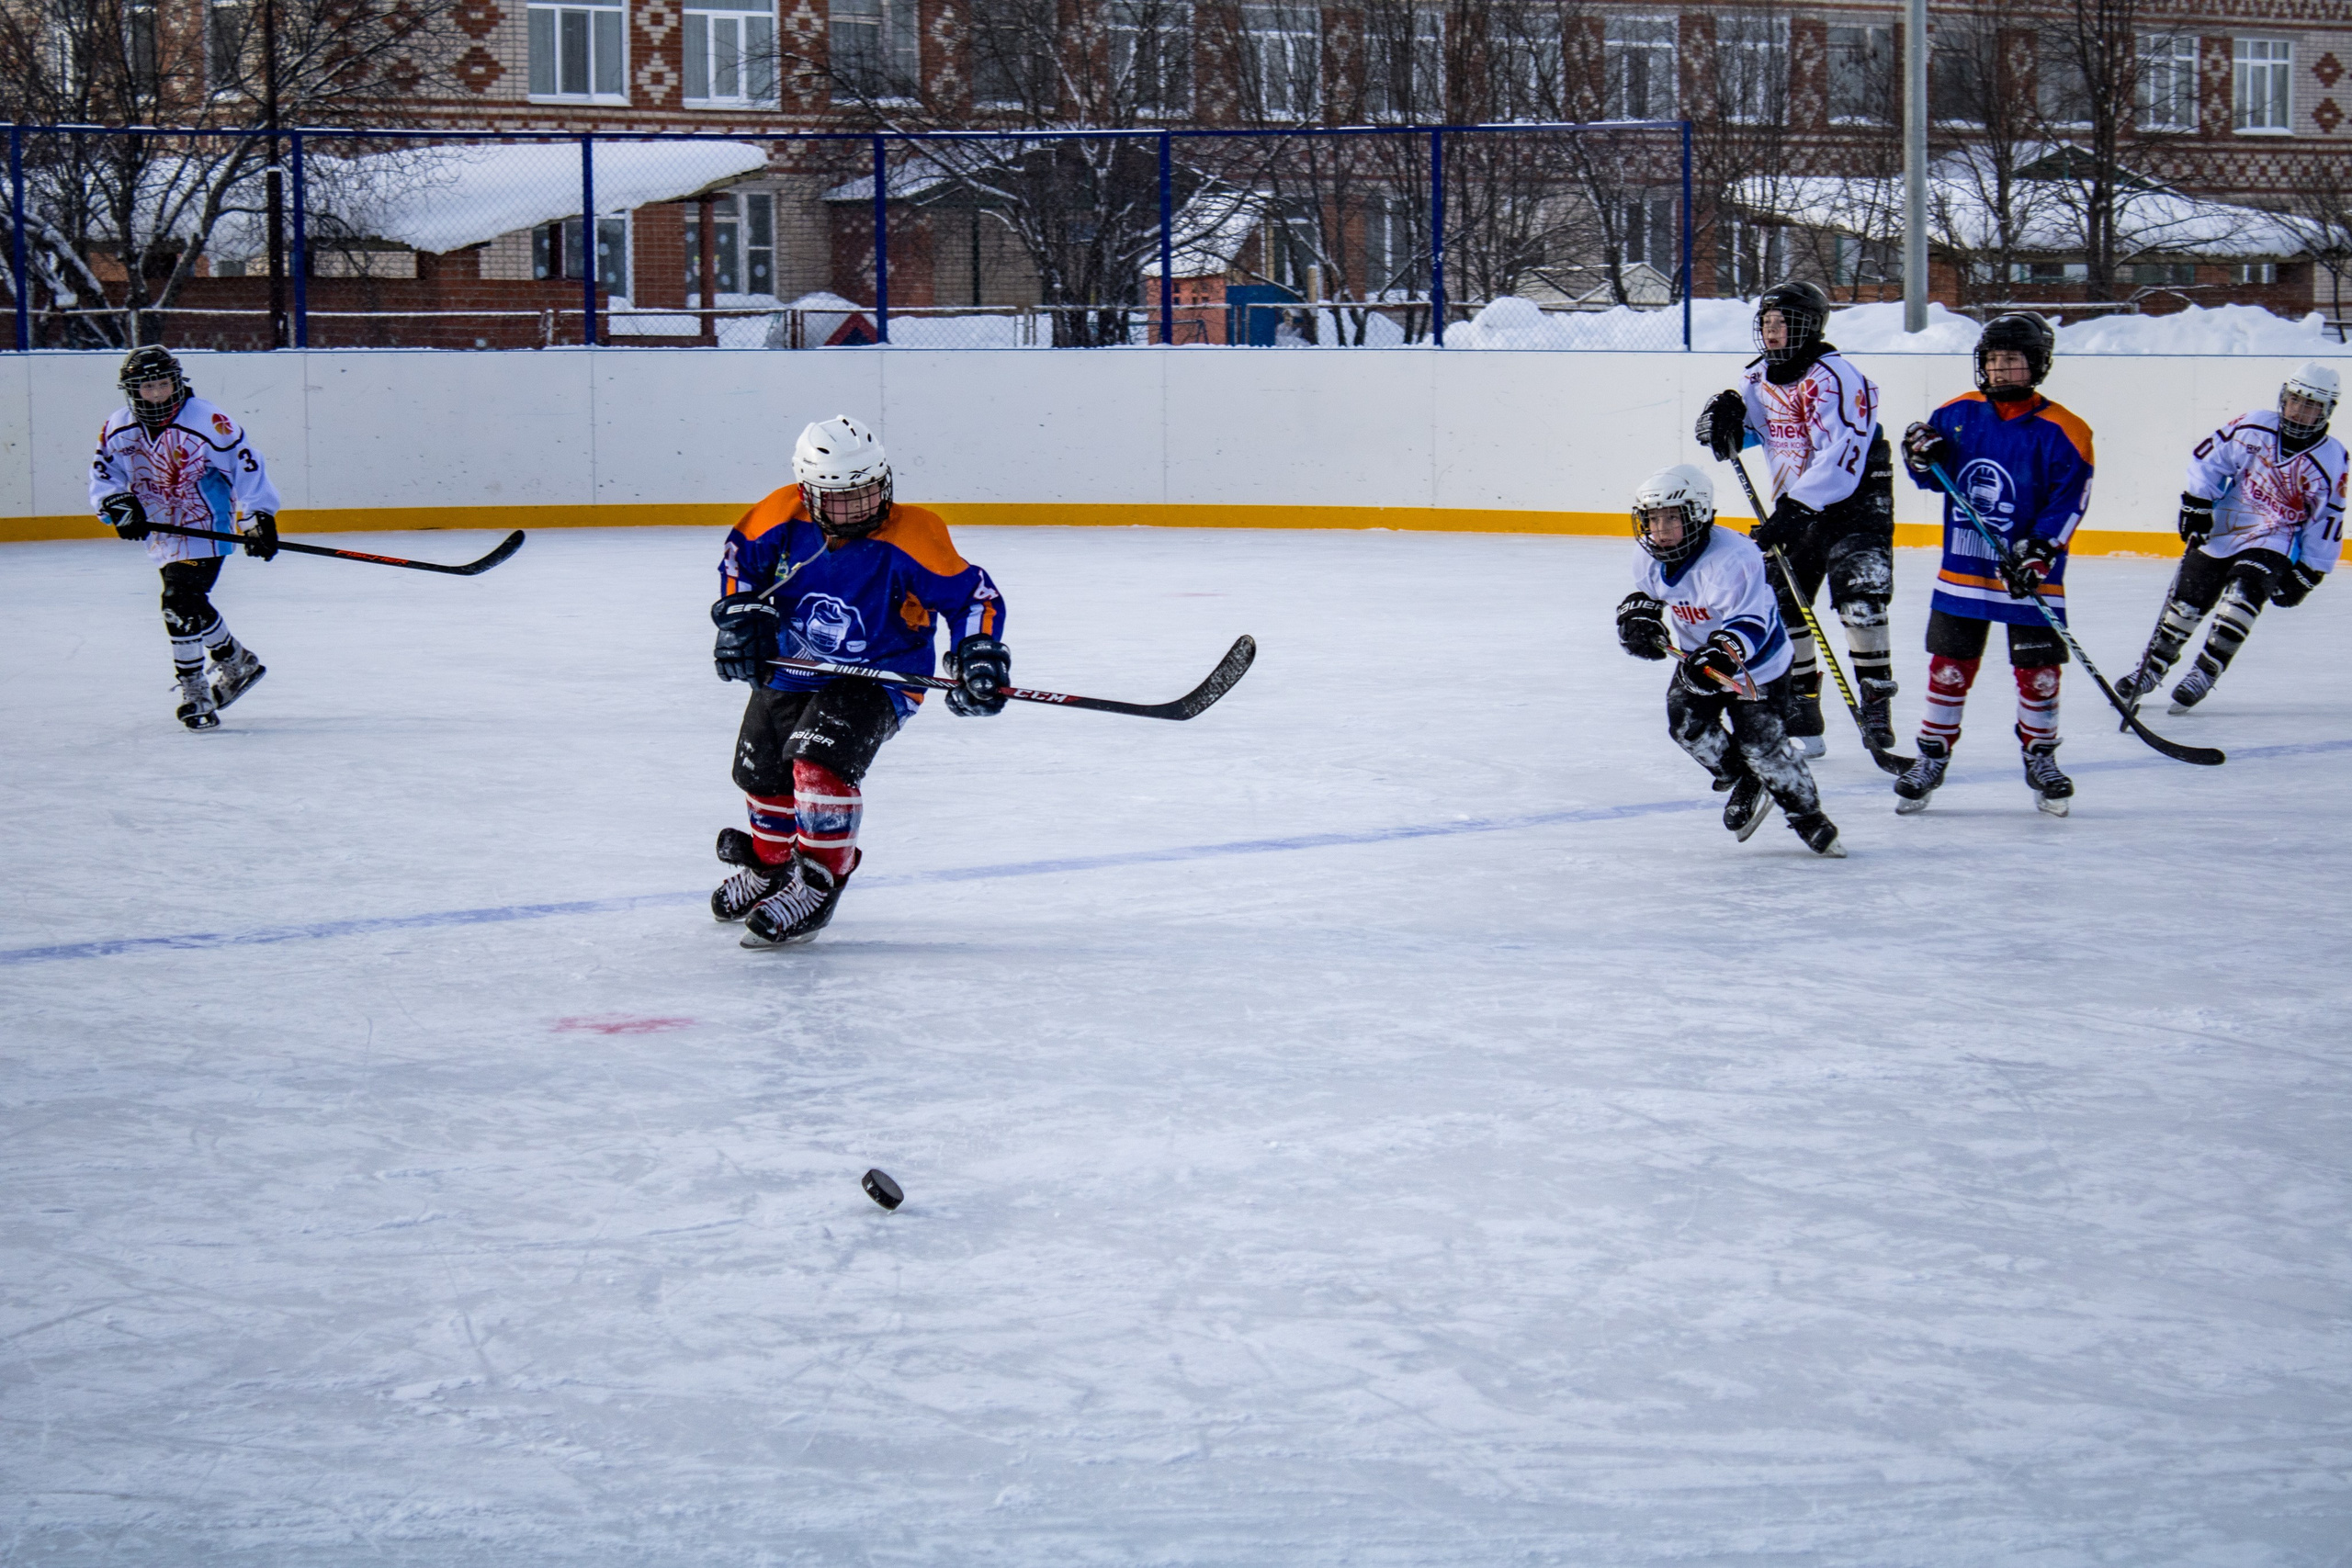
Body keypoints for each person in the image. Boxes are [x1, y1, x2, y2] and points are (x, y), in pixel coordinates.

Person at [707, 415, 1009, 948]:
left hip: (883, 674)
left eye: (870, 490)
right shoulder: (779, 516)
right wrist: (740, 619)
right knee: (760, 770)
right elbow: (738, 566)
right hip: (793, 667)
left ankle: (818, 884)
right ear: (808, 493)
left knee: (818, 763)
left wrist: (978, 654)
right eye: (843, 498)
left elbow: (972, 599)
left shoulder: (914, 534)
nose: (863, 506)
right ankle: (772, 867)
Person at [1893, 313, 2093, 817]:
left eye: (2012, 360)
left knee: (2039, 673)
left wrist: (2039, 551)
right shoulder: (1955, 413)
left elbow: (2070, 503)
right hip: (1965, 569)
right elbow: (1929, 476)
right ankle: (1931, 756)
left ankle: (2041, 756)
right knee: (1948, 670)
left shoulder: (2066, 431)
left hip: (2030, 575)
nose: (2000, 369)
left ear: (2038, 365)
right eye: (1993, 360)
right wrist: (1917, 454)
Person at [1693, 278, 1898, 756]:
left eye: (1783, 322)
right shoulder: (1756, 377)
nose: (1772, 331)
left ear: (1810, 327)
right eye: (1766, 322)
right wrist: (1726, 428)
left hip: (1856, 500)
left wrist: (1796, 508)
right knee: (1782, 608)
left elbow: (1842, 454)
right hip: (1795, 504)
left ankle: (1876, 701)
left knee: (1860, 602)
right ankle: (1803, 707)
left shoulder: (1836, 376)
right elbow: (1757, 432)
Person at [1617, 463, 1845, 858]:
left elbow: (1751, 623)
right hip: (1698, 660)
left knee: (1763, 745)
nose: (1660, 530)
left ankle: (1808, 817)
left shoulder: (1734, 557)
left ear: (1699, 514)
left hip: (1759, 665)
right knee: (1687, 727)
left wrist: (1723, 653)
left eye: (1672, 518)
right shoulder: (1648, 557)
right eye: (1653, 519)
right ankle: (1743, 778)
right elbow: (1650, 595)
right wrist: (1639, 617)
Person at [2115, 362, 2345, 715]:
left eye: (2311, 405)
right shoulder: (2255, 425)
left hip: (2275, 536)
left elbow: (2327, 517)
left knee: (2242, 596)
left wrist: (2311, 570)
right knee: (2187, 603)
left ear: (2327, 411)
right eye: (2295, 399)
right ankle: (2152, 667)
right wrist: (2197, 501)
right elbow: (2208, 460)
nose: (2299, 410)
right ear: (2284, 397)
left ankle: (2206, 671)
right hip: (2224, 526)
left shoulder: (2331, 458)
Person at [89, 346, 280, 730]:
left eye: (162, 384)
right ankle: (235, 659)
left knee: (178, 600)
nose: (156, 394)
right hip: (162, 530)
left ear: (177, 383)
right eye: (147, 387)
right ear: (132, 391)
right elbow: (104, 474)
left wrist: (258, 516)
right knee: (188, 601)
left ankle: (196, 693)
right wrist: (116, 503)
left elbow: (246, 465)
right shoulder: (118, 427)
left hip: (206, 523)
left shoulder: (208, 420)